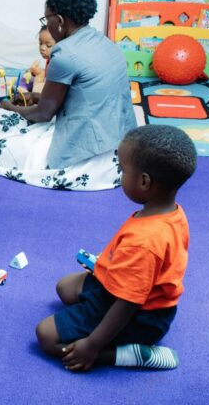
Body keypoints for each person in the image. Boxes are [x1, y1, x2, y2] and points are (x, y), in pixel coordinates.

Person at [35, 125, 196, 372]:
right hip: (130, 293)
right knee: (65, 287)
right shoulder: (169, 211)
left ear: (144, 182)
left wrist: (93, 345)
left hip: (140, 316)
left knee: (46, 335)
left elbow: (127, 303)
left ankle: (128, 354)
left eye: (122, 169)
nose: (120, 174)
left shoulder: (146, 241)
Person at [0, 0, 136, 191]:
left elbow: (43, 114)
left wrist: (7, 106)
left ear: (60, 19)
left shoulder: (65, 54)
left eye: (46, 19)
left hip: (83, 153)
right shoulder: (104, 43)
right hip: (117, 147)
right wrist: (37, 98)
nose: (46, 24)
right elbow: (84, 97)